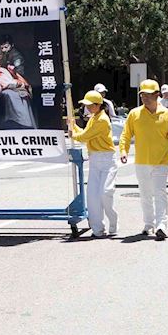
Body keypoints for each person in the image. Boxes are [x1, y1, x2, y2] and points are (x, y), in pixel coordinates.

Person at [118, 79, 168, 241]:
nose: (144, 98)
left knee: (160, 193)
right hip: (141, 162)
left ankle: (161, 225)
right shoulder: (135, 114)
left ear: (157, 95)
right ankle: (148, 224)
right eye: (142, 95)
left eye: (148, 95)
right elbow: (126, 134)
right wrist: (123, 151)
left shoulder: (167, 115)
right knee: (145, 195)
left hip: (160, 162)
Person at [70, 90, 118, 237]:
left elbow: (85, 136)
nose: (88, 108)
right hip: (95, 159)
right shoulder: (93, 118)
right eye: (87, 105)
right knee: (92, 196)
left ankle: (113, 220)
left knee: (105, 193)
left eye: (91, 105)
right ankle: (98, 229)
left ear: (98, 105)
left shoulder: (102, 119)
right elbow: (85, 133)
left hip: (107, 159)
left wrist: (73, 134)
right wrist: (73, 125)